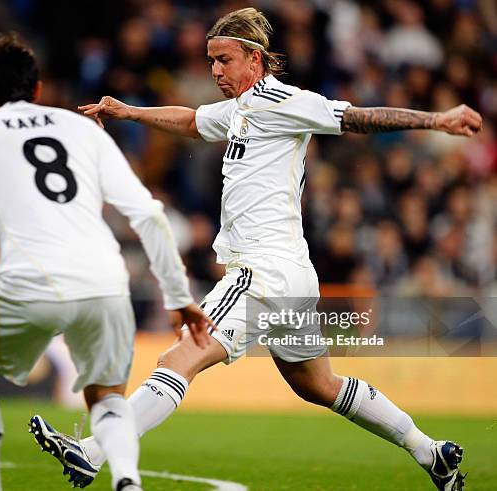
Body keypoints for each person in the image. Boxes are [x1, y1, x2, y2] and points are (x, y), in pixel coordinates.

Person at [68, 7, 484, 491]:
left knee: (179, 357)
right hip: (291, 273)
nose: (215, 71)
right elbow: (192, 120)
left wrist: (438, 119)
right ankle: (429, 450)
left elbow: (357, 118)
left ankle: (94, 452)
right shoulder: (241, 109)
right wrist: (128, 111)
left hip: (260, 272)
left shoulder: (285, 101)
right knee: (317, 384)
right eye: (211, 61)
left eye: (224, 60)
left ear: (254, 58)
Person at [0, 33, 212, 491]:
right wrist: (180, 296)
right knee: (106, 397)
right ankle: (127, 478)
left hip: (28, 282)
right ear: (39, 88)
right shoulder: (82, 128)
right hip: (106, 279)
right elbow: (147, 213)